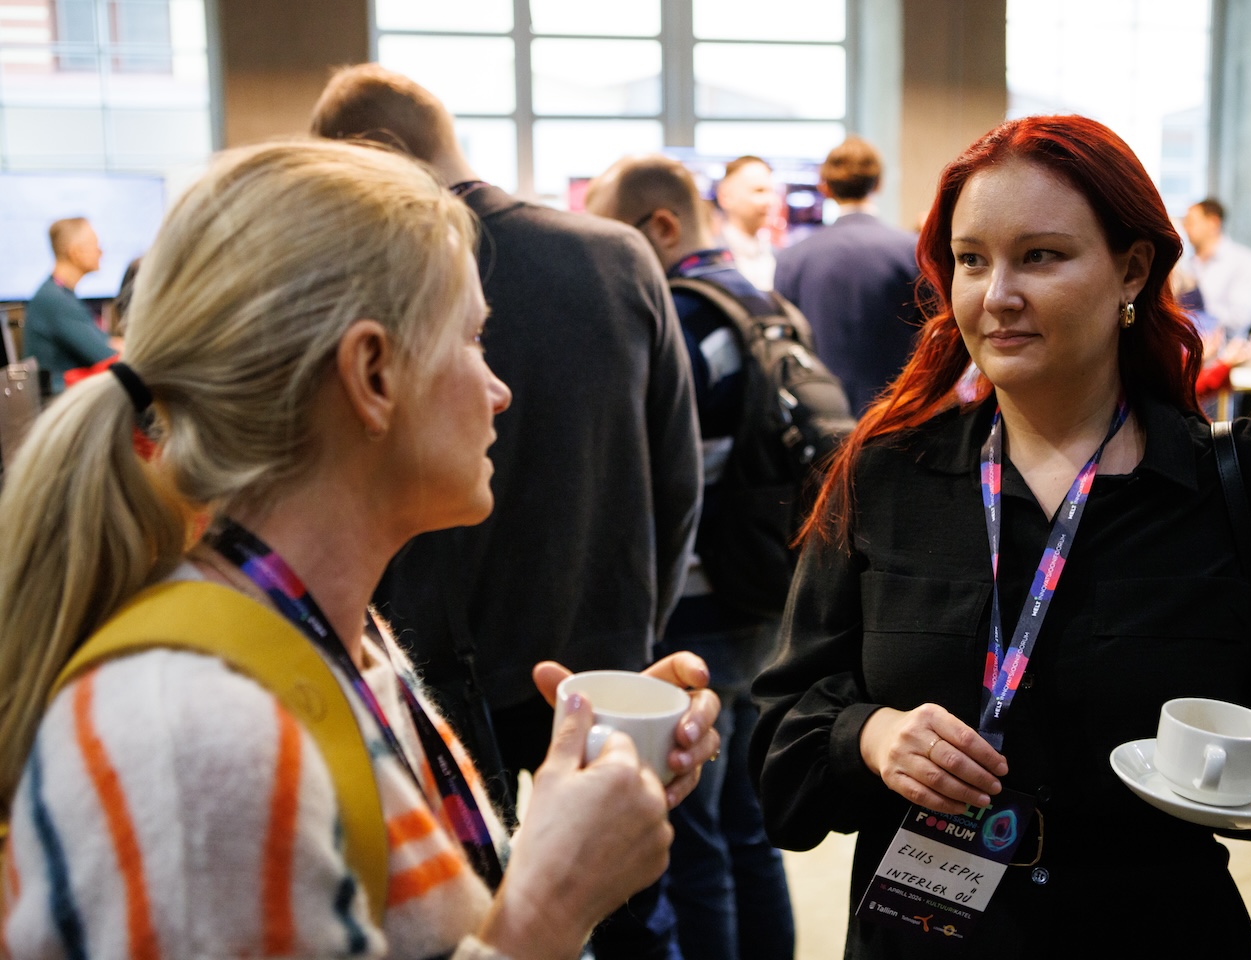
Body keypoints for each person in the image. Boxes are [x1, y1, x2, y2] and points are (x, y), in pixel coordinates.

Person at [0, 139, 720, 960]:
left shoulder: (331, 639)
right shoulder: (200, 743)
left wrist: (579, 825)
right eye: (473, 338)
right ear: (373, 374)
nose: (499, 390)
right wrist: (554, 901)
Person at [749, 115, 1251, 959]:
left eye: (1040, 256)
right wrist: (872, 736)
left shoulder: (1239, 484)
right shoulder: (887, 475)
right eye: (971, 260)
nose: (996, 295)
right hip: (924, 930)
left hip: (1152, 932)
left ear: (1132, 270)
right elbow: (781, 735)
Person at [310, 63, 701, 811]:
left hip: (430, 657)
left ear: (369, 155)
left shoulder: (375, 282)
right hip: (601, 650)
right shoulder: (620, 256)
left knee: (470, 870)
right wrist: (637, 629)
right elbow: (677, 478)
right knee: (612, 865)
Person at [587, 154, 796, 960]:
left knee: (694, 837)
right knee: (750, 825)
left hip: (696, 609)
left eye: (612, 236)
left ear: (662, 226)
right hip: (764, 595)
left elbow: (646, 477)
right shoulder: (766, 305)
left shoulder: (674, 318)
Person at [774, 136, 923, 413]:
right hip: (895, 412)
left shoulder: (791, 259)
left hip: (818, 416)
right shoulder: (913, 252)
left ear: (825, 187)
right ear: (878, 184)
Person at [23, 217, 119, 393]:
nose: (101, 252)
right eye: (96, 245)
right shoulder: (55, 300)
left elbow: (104, 342)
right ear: (76, 252)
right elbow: (107, 357)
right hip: (61, 399)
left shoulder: (58, 293)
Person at [1177, 198, 1251, 339]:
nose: (1185, 228)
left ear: (1213, 223)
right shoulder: (1186, 265)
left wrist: (1197, 306)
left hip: (1226, 348)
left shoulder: (1244, 261)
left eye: (1190, 222)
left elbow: (1239, 319)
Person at [715, 156, 781, 291]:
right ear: (725, 197)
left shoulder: (777, 256)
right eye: (759, 191)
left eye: (772, 191)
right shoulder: (711, 259)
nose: (770, 200)